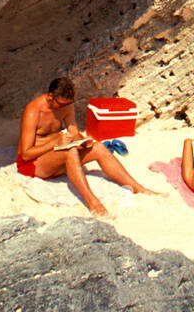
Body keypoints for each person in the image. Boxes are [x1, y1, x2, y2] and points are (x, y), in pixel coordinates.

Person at [17, 77, 161, 218]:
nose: (64, 107)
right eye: (61, 104)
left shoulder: (66, 105)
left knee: (98, 147)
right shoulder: (33, 111)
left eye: (68, 104)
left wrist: (83, 141)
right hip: (33, 164)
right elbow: (25, 154)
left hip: (55, 157)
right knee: (70, 152)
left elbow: (74, 132)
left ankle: (139, 188)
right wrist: (55, 143)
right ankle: (93, 203)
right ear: (50, 97)